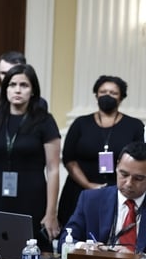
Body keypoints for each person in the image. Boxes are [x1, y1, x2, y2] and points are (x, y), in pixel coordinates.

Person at [0, 64, 61, 252]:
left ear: (32, 91)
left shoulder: (44, 120)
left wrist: (51, 212)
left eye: (24, 85)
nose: (17, 90)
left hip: (32, 195)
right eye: (12, 84)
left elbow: (53, 169)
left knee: (32, 251)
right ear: (5, 89)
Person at [57, 75, 144, 227]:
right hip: (79, 190)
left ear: (121, 97)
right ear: (96, 95)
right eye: (103, 92)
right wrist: (88, 185)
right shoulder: (80, 123)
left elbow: (140, 158)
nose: (107, 96)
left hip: (119, 194)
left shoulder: (134, 125)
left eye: (113, 93)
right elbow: (69, 159)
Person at [59, 141, 146, 253]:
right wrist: (86, 247)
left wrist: (137, 258)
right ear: (117, 166)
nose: (129, 183)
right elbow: (65, 240)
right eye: (124, 174)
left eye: (138, 178)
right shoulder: (91, 199)